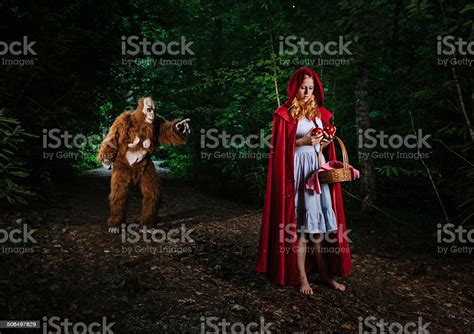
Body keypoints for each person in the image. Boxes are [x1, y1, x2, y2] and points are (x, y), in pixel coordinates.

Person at [256, 67, 352, 294]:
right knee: (299, 229)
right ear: (295, 87)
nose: (307, 92)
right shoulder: (284, 115)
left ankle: (326, 276)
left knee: (317, 230)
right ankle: (302, 278)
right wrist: (304, 141)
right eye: (303, 87)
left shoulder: (320, 114)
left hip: (315, 174)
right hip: (296, 174)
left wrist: (324, 140)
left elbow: (321, 149)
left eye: (311, 88)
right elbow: (279, 150)